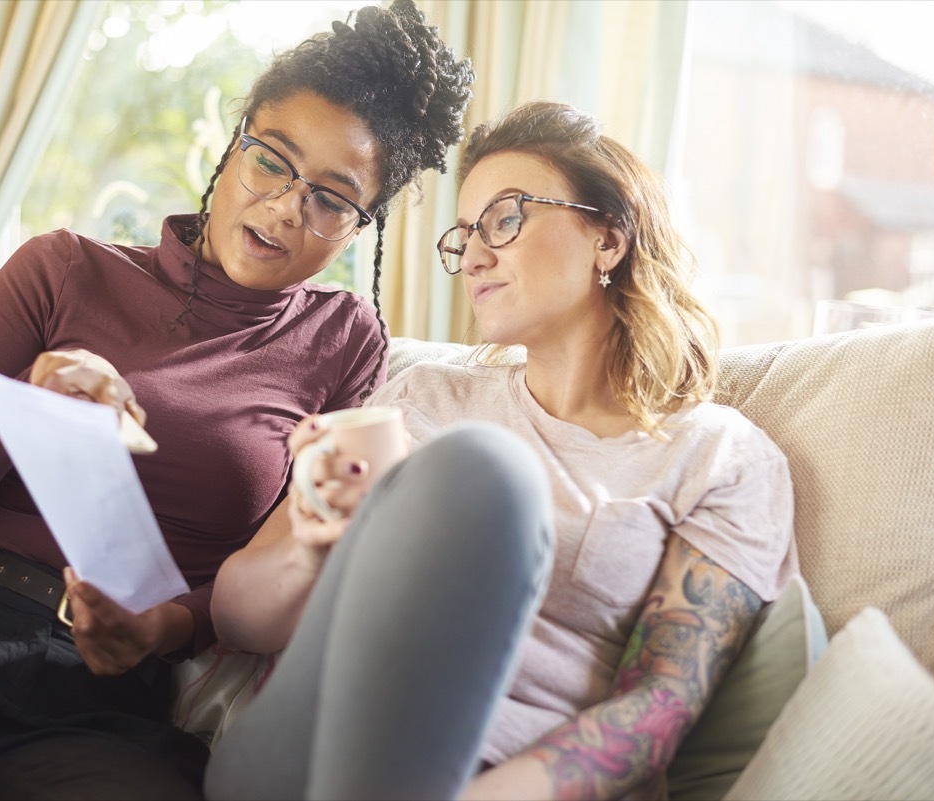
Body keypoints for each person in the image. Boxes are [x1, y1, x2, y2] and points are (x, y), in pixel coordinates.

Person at [0, 3, 474, 798]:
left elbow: (276, 562)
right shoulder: (62, 268)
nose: (287, 206)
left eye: (332, 198)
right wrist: (29, 406)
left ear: (360, 226)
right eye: (272, 160)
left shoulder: (344, 342)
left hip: (102, 689)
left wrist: (162, 627)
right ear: (235, 141)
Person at [204, 101, 799, 800]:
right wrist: (314, 538)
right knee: (476, 467)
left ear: (609, 238)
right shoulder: (423, 397)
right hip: (306, 743)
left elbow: (657, 709)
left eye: (505, 219)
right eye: (465, 235)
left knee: (488, 473)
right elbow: (236, 620)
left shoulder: (722, 458)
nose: (476, 255)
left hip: (501, 780)